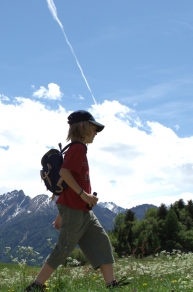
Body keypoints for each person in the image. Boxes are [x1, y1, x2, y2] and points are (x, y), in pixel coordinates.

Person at [24, 110, 129, 291]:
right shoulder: (78, 148)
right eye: (94, 128)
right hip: (76, 207)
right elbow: (64, 173)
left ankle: (112, 285)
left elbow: (63, 182)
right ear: (83, 126)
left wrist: (62, 213)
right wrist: (84, 195)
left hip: (81, 209)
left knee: (102, 242)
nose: (96, 133)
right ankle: (35, 286)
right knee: (64, 248)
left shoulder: (75, 148)